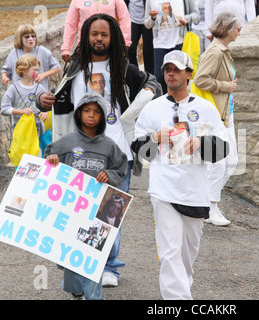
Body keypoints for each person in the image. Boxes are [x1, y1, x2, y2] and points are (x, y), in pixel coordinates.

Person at [37, 13, 162, 288]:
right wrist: (42, 100)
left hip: (117, 156)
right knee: (79, 213)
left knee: (109, 215)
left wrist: (136, 109)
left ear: (113, 37)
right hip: (78, 154)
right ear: (86, 36)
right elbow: (54, 97)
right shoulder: (74, 69)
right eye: (94, 33)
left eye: (104, 34)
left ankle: (109, 267)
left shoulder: (125, 69)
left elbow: (154, 83)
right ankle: (81, 262)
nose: (99, 38)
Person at [131, 50, 229, 299]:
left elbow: (222, 149)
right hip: (163, 191)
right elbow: (140, 152)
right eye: (166, 69)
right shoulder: (152, 110)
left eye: (176, 69)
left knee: (187, 255)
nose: (170, 73)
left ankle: (181, 289)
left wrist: (202, 143)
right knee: (170, 252)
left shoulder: (205, 109)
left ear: (189, 74)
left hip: (195, 192)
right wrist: (154, 138)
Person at [45, 91, 128, 300]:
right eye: (87, 111)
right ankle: (75, 289)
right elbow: (46, 161)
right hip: (70, 211)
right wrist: (52, 159)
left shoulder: (109, 145)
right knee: (69, 260)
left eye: (97, 112)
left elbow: (120, 168)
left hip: (98, 212)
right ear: (79, 113)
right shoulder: (65, 142)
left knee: (93, 258)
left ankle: (94, 297)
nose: (91, 115)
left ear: (102, 117)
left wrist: (109, 175)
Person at [193, 12, 240, 226]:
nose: (240, 31)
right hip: (214, 115)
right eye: (238, 28)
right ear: (228, 29)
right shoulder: (215, 51)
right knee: (219, 163)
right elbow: (201, 79)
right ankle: (210, 207)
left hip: (225, 114)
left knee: (231, 162)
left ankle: (205, 201)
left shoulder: (224, 50)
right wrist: (226, 86)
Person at [144, 0, 200, 93]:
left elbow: (196, 14)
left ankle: (180, 103)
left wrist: (186, 18)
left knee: (180, 78)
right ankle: (165, 103)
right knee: (159, 78)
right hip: (159, 44)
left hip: (179, 42)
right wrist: (152, 18)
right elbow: (147, 24)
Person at [61, 0, 132, 63]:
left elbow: (124, 19)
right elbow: (70, 24)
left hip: (109, 47)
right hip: (84, 47)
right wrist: (66, 48)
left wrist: (125, 42)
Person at [1, 24, 62, 91]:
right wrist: (4, 77)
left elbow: (57, 68)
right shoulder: (13, 54)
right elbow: (5, 70)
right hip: (20, 94)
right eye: (27, 37)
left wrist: (43, 75)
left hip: (41, 94)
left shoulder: (42, 51)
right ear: (20, 38)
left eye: (33, 36)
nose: (31, 39)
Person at [1, 54, 49, 138]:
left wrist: (45, 112)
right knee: (23, 151)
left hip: (37, 127)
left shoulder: (39, 88)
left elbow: (48, 104)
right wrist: (21, 111)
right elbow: (4, 109)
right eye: (34, 70)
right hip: (20, 128)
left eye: (38, 70)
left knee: (37, 150)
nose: (37, 73)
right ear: (25, 70)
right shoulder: (13, 88)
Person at [125, 0, 155, 74]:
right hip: (132, 19)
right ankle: (135, 74)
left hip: (148, 19)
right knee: (130, 49)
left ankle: (149, 77)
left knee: (148, 50)